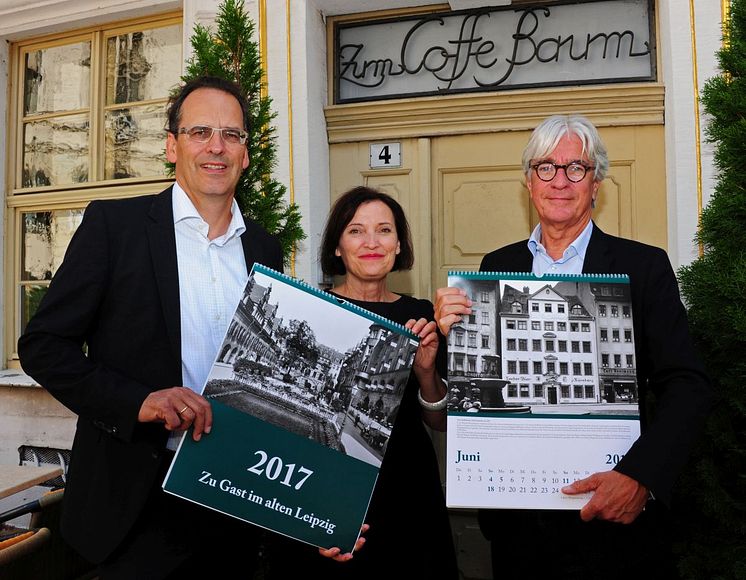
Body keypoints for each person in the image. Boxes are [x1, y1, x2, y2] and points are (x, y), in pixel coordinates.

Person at [17, 76, 356, 579]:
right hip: (135, 504)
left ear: (245, 152)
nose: (216, 146)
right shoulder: (116, 227)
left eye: (231, 134)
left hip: (238, 499)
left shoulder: (261, 248)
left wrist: (322, 507)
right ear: (172, 146)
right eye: (200, 132)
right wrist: (139, 401)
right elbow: (42, 346)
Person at [435, 115, 713, 579]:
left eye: (576, 168)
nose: (559, 181)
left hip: (613, 525)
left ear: (596, 182)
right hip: (518, 528)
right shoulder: (496, 266)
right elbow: (471, 382)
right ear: (528, 181)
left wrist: (641, 477)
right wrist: (452, 335)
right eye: (546, 167)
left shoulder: (642, 266)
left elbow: (688, 384)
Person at [267, 186, 458, 579]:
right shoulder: (312, 307)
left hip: (407, 493)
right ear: (337, 246)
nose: (371, 242)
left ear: (399, 243)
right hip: (323, 487)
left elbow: (440, 421)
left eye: (384, 230)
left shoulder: (422, 315)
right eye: (356, 231)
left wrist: (425, 370)